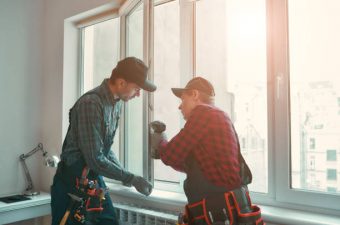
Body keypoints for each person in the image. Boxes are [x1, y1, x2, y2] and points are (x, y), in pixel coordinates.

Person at [51, 57, 155, 225]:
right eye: (136, 88)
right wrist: (130, 178)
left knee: (110, 221)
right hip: (72, 184)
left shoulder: (117, 103)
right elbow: (95, 158)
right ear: (121, 83)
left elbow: (105, 148)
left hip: (93, 180)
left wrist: (122, 174)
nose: (138, 94)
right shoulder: (91, 103)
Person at [150, 77, 264, 225]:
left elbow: (171, 155)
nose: (180, 107)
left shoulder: (203, 113)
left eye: (183, 100)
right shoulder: (219, 116)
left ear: (195, 95)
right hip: (227, 208)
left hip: (219, 211)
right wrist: (163, 149)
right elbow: (189, 164)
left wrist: (160, 141)